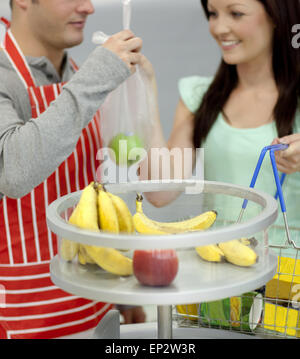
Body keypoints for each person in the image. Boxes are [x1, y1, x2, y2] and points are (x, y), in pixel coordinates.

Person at [0, 0, 146, 339]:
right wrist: (100, 74)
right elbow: (14, 170)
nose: (88, 7)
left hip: (93, 303)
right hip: (24, 311)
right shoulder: (8, 77)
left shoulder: (77, 74)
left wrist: (120, 298)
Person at [139, 0, 300, 248]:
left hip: (290, 277)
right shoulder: (199, 97)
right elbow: (160, 193)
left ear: (276, 16)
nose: (219, 28)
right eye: (213, 14)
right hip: (222, 271)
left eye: (236, 14)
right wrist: (144, 89)